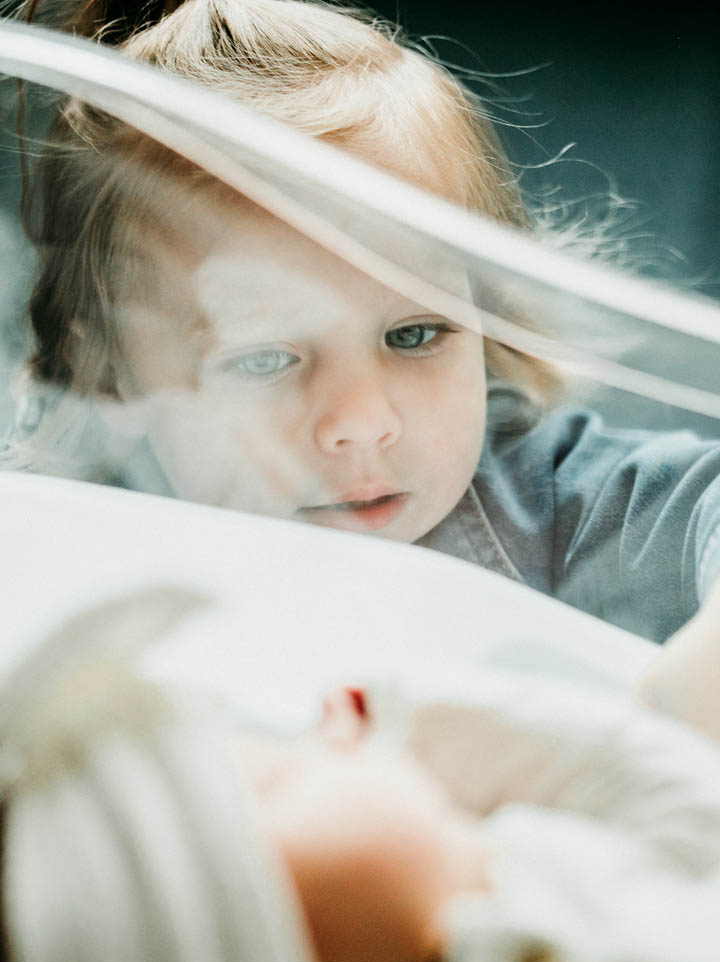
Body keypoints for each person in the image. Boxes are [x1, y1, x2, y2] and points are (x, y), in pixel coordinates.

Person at [7, 0, 720, 643]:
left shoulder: (558, 505)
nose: (362, 421)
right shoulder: (73, 536)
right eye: (263, 359)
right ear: (112, 376)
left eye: (414, 334)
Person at [5, 587, 720, 962]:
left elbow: (664, 787)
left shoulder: (525, 863)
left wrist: (419, 712)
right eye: (280, 771)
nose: (333, 741)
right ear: (252, 956)